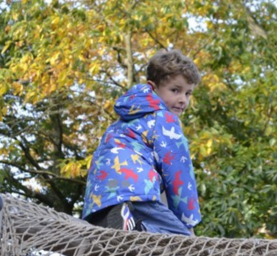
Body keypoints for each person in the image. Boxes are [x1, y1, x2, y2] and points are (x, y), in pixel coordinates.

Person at [81, 48, 202, 237]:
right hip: (135, 194)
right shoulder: (164, 119)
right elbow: (179, 174)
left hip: (99, 201)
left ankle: (121, 220)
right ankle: (137, 225)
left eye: (188, 94)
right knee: (187, 247)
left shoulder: (122, 122)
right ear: (152, 88)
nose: (182, 100)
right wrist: (189, 224)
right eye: (175, 90)